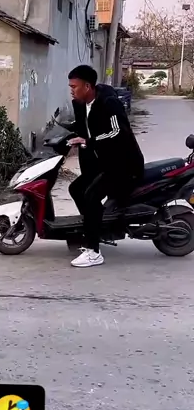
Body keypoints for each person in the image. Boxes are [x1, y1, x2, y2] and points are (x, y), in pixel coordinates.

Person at [67, 65, 144, 269]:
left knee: (91, 196)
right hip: (105, 162)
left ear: (87, 86)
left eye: (74, 87)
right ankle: (98, 228)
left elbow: (117, 132)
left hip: (124, 165)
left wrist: (89, 142)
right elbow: (83, 128)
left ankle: (94, 252)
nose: (71, 91)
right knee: (76, 189)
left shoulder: (109, 102)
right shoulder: (81, 104)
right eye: (70, 87)